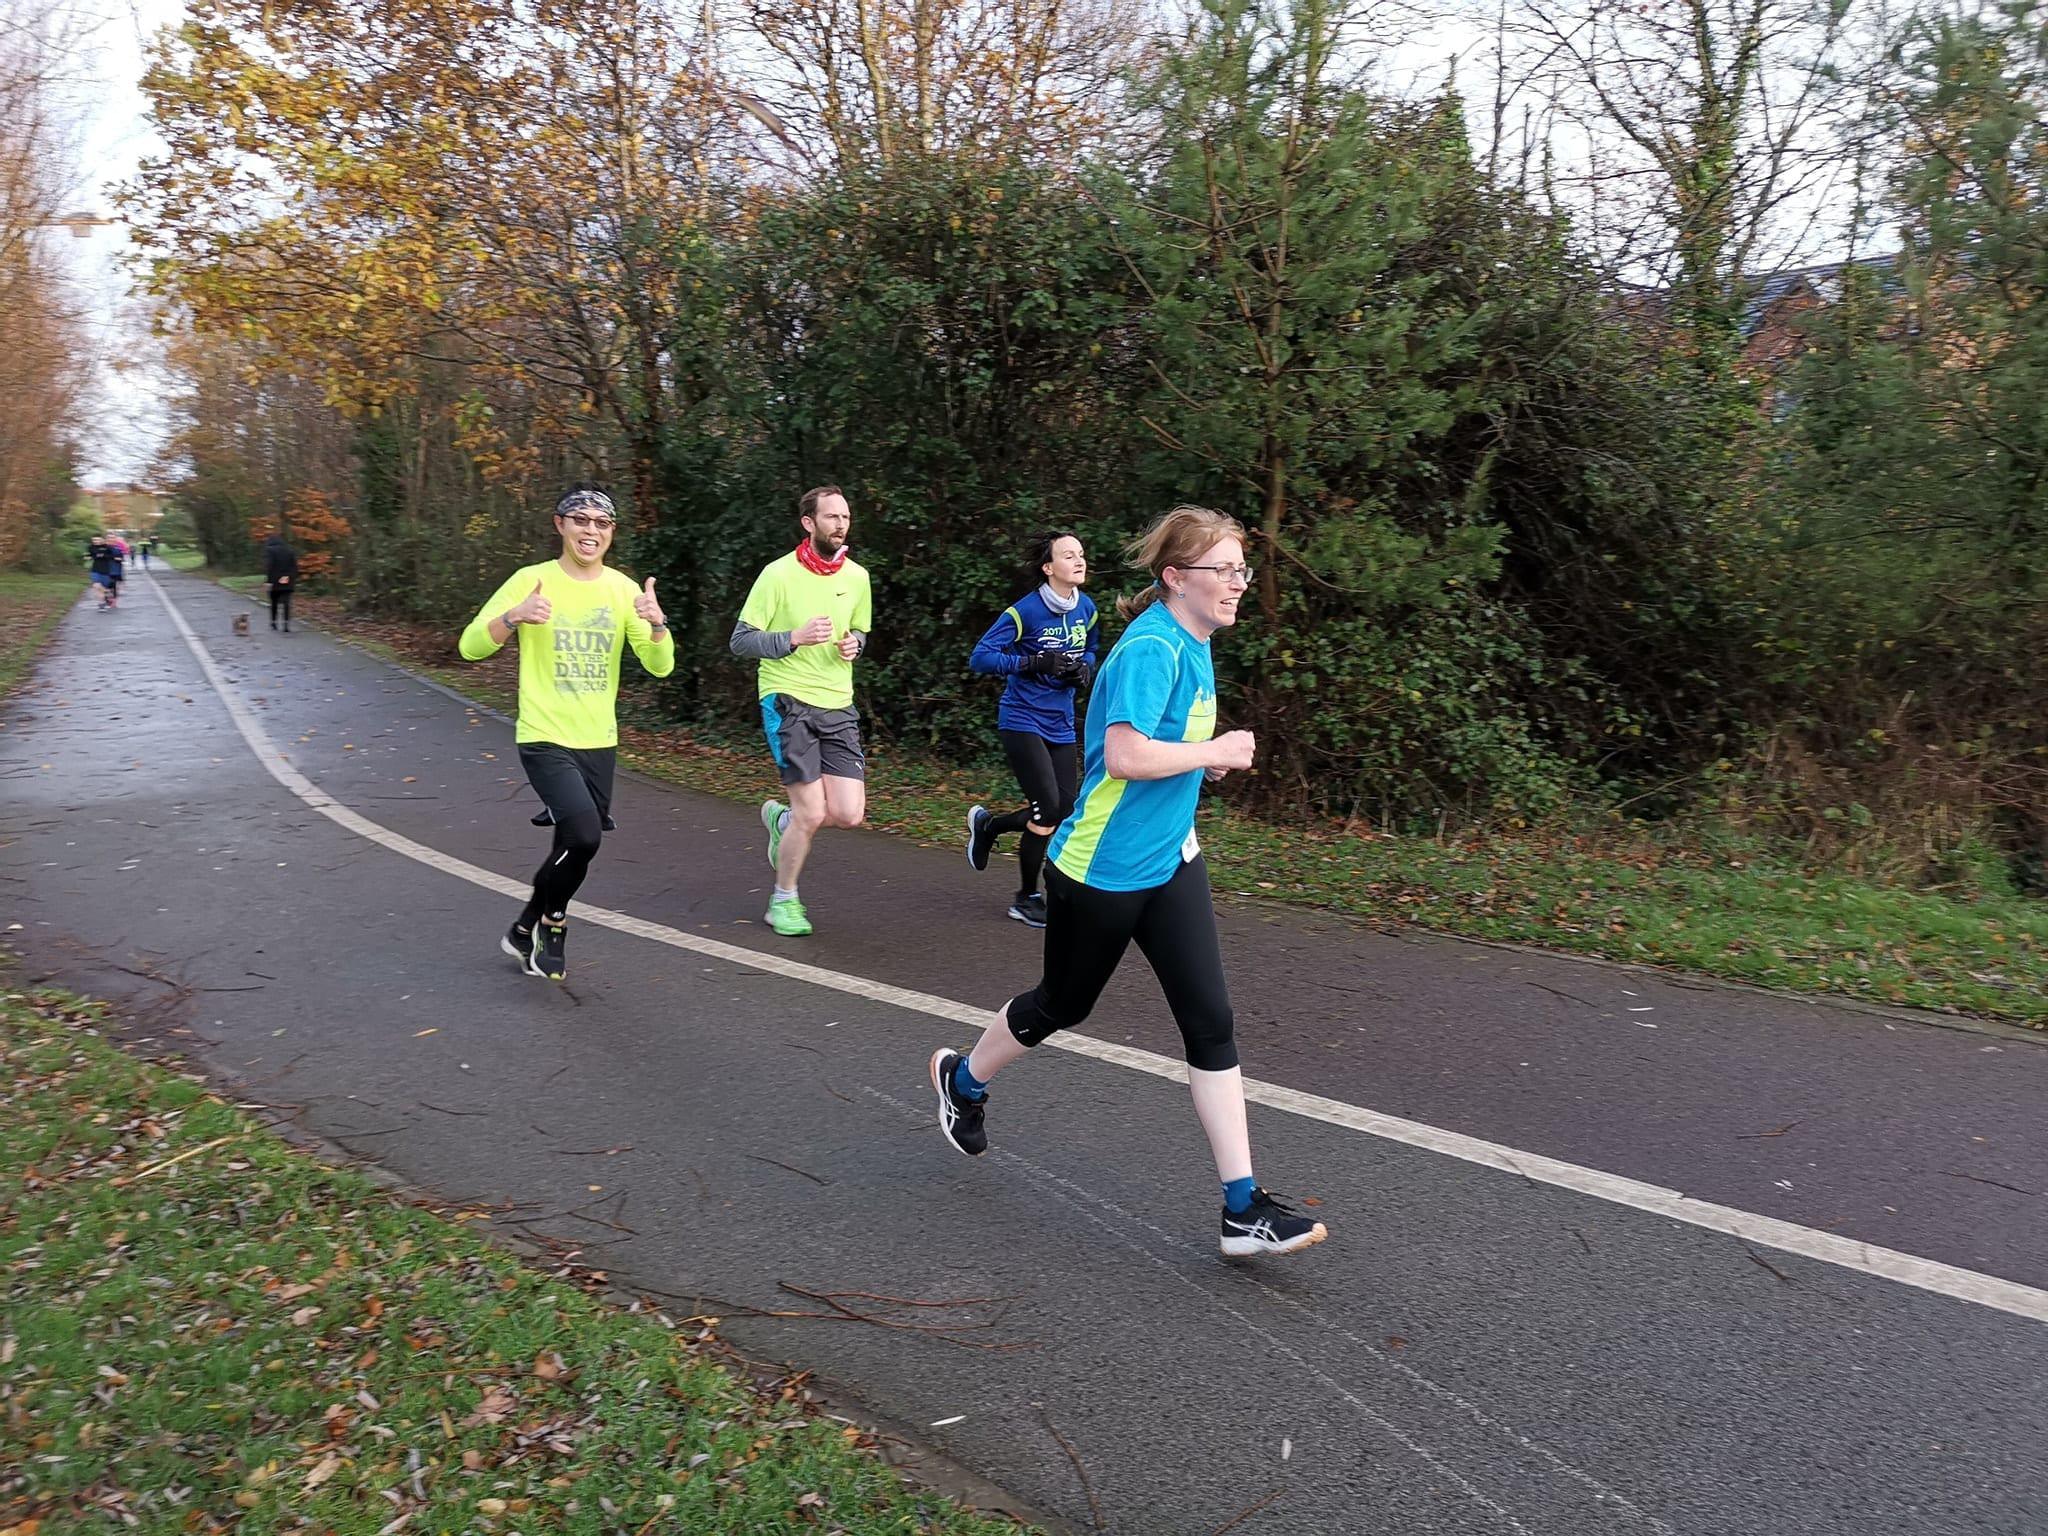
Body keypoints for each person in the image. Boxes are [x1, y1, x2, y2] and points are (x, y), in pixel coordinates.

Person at [927, 505, 1328, 1259]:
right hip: (1099, 872)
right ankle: (962, 1080)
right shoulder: (1153, 647)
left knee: (1211, 1023)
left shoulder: (1197, 638)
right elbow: (1124, 757)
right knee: (1062, 1005)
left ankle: (1243, 1207)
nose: (1239, 583)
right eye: (1225, 570)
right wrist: (1218, 747)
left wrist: (1200, 760)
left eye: (1243, 569)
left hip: (1171, 862)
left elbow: (1163, 750)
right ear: (1177, 577)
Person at [459, 486, 673, 981]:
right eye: (581, 520)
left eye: (602, 523)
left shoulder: (623, 591)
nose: (590, 530)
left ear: (611, 533)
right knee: (584, 833)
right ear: (560, 525)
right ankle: (553, 924)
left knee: (572, 845)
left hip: (598, 738)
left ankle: (522, 926)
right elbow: (469, 647)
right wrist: (512, 617)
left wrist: (659, 626)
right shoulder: (530, 581)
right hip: (544, 733)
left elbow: (661, 668)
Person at [729, 485, 872, 938]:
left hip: (838, 703)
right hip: (788, 699)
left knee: (849, 814)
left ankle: (783, 822)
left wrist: (856, 644)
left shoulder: (857, 577)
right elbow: (740, 640)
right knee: (813, 812)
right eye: (830, 517)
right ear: (809, 523)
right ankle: (783, 899)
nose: (840, 524)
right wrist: (793, 637)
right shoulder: (777, 575)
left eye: (845, 517)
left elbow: (862, 632)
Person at [964, 532, 1099, 927]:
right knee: (1046, 810)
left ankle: (989, 826)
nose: (1079, 560)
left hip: (1060, 722)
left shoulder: (1086, 608)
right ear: (1048, 568)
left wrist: (1085, 667)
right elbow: (981, 658)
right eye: (1068, 555)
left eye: (1082, 553)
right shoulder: (1025, 612)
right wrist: (1032, 664)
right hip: (1022, 718)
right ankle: (1026, 898)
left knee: (1066, 809)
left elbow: (1091, 645)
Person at [264, 533, 301, 631]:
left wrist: (268, 581)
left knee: (274, 601)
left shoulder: (270, 550)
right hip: (288, 579)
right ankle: (286, 624)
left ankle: (274, 622)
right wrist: (292, 577)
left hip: (275, 580)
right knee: (286, 602)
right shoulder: (290, 550)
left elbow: (270, 566)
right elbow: (295, 566)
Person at [87, 535, 119, 609]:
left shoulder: (107, 547)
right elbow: (90, 555)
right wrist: (88, 557)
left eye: (97, 540)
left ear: (102, 540)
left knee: (102, 589)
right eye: (94, 540)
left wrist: (104, 555)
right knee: (96, 586)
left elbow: (113, 556)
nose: (95, 541)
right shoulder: (91, 547)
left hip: (105, 570)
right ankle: (102, 602)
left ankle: (106, 596)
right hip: (95, 569)